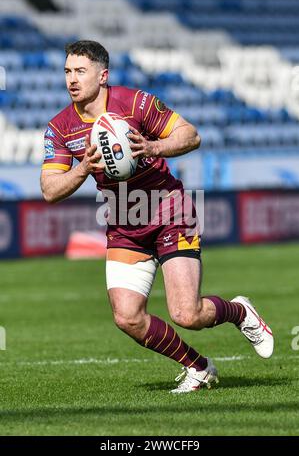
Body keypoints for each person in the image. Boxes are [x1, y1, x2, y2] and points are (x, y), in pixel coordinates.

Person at [40, 40, 274, 394]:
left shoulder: (135, 103)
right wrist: (83, 169)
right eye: (68, 72)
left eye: (80, 71)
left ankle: (240, 312)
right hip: (124, 221)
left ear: (102, 75)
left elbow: (190, 135)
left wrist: (153, 147)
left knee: (188, 315)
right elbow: (49, 189)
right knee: (127, 317)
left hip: (170, 211)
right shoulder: (60, 128)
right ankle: (199, 368)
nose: (72, 79)